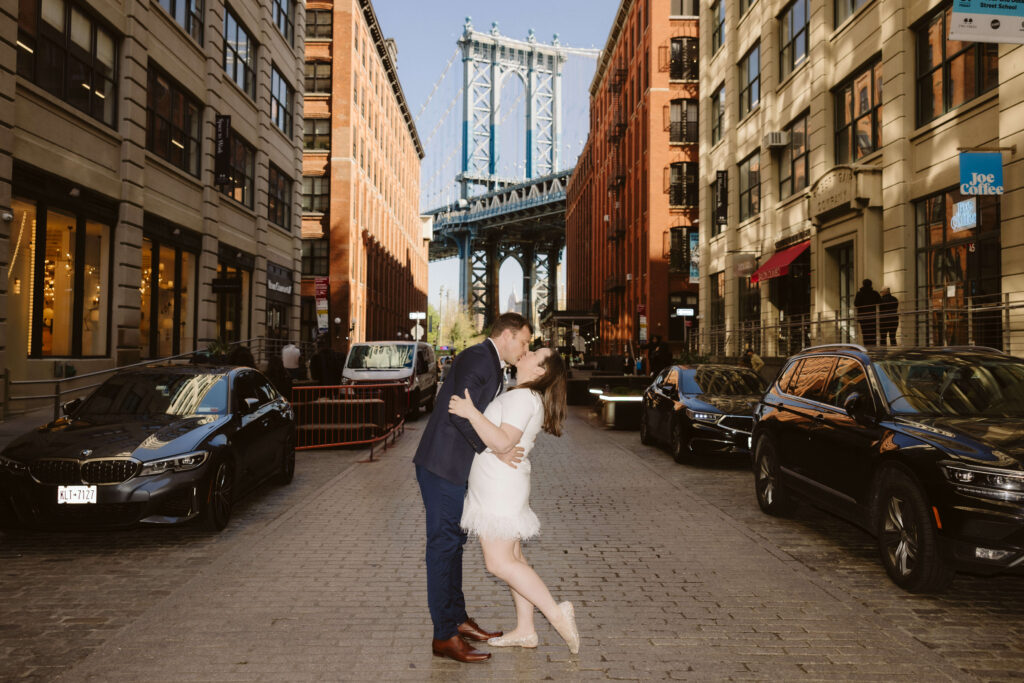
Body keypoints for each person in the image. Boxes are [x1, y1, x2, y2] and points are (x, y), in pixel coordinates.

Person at [412, 312, 533, 663]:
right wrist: (495, 450)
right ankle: (444, 637)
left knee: (454, 545)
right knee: (443, 547)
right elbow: (457, 412)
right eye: (524, 342)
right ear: (507, 335)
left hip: (454, 468)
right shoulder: (480, 359)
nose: (525, 349)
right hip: (442, 466)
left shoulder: (491, 363)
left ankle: (457, 619)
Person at [449, 346, 580, 655]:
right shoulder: (524, 396)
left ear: (540, 371)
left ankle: (556, 613)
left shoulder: (523, 398)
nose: (528, 351)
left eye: (535, 353)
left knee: (499, 562)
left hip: (499, 488)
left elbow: (503, 441)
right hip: (499, 485)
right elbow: (503, 441)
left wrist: (471, 413)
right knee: (515, 560)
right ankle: (525, 630)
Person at [854, 279, 882, 346]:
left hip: (863, 317)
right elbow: (880, 302)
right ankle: (873, 349)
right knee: (873, 334)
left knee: (865, 334)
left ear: (863, 284)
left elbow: (856, 304)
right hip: (873, 317)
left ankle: (867, 348)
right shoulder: (875, 293)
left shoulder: (859, 294)